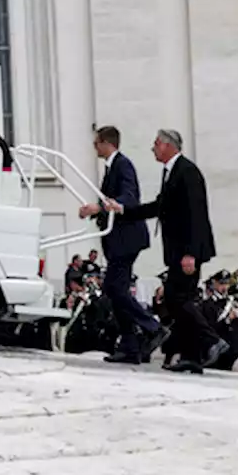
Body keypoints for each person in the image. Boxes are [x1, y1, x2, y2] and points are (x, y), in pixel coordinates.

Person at [101, 129, 226, 373]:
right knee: (179, 300)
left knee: (176, 298)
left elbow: (196, 214)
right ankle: (192, 356)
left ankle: (212, 341)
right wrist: (123, 210)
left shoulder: (187, 172)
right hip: (178, 251)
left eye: (156, 144)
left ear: (168, 146)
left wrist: (190, 253)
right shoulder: (171, 172)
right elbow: (159, 206)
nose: (153, 148)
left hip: (187, 252)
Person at [78, 125, 166, 365]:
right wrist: (94, 210)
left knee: (114, 288)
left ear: (108, 143)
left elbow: (129, 196)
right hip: (119, 239)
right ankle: (130, 346)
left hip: (126, 238)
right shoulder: (112, 167)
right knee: (117, 290)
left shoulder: (122, 164)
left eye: (97, 142)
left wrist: (102, 206)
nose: (95, 147)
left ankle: (152, 326)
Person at [200, 270, 238, 370]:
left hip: (235, 347)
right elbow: (210, 328)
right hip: (219, 349)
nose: (224, 287)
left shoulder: (232, 301)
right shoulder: (208, 304)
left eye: (227, 284)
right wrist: (228, 319)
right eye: (221, 283)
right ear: (214, 283)